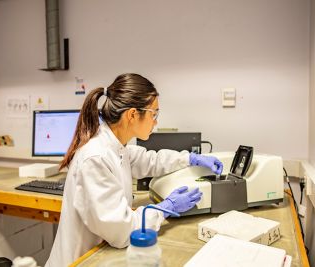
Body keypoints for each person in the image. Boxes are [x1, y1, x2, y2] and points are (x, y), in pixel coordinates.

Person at [45, 73, 223, 266]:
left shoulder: (116, 146)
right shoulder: (96, 157)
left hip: (101, 253)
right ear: (132, 115)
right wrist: (165, 208)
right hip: (81, 261)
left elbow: (151, 160)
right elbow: (123, 231)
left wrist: (191, 158)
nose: (156, 121)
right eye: (153, 114)